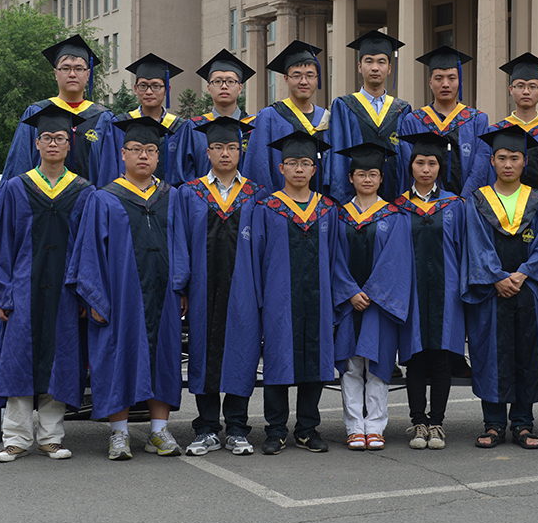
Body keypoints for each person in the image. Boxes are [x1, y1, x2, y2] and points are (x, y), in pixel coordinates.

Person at [53, 116, 187, 461]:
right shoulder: (105, 198)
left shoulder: (171, 197)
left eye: (151, 150)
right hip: (119, 297)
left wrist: (181, 285)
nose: (143, 155)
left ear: (158, 157)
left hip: (164, 295)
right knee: (116, 358)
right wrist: (95, 298)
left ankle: (158, 431)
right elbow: (89, 251)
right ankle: (119, 433)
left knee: (164, 357)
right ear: (122, 154)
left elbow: (183, 246)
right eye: (136, 149)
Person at [0, 104, 97, 462]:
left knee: (61, 360)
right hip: (22, 288)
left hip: (65, 291)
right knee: (18, 359)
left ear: (69, 145)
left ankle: (51, 437)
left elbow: (89, 248)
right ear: (36, 143)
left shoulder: (83, 191)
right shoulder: (16, 188)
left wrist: (85, 293)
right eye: (46, 137)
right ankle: (16, 438)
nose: (52, 143)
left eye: (59, 138)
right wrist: (2, 293)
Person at [232, 131, 344, 455]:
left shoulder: (327, 209)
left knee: (316, 362)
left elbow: (336, 258)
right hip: (279, 299)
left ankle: (307, 429)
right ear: (281, 168)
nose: (299, 169)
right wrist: (258, 299)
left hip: (318, 299)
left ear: (314, 169)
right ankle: (276, 430)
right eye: (292, 163)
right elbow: (254, 257)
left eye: (305, 163)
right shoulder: (267, 208)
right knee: (278, 362)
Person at [171, 117, 266, 457]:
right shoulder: (189, 193)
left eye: (232, 147)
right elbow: (180, 242)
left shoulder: (256, 194)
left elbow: (265, 248)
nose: (225, 153)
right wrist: (181, 286)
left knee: (243, 352)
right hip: (202, 289)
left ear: (241, 152)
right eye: (218, 147)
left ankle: (238, 428)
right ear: (207, 151)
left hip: (244, 288)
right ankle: (207, 428)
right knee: (202, 352)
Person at [463, 125, 538, 450]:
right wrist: (497, 276)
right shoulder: (478, 200)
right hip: (491, 290)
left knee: (527, 352)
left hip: (527, 289)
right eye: (502, 158)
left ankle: (523, 423)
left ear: (525, 161)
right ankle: (494, 423)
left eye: (515, 158)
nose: (508, 164)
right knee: (490, 353)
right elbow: (476, 243)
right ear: (492, 161)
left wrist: (524, 273)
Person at [333, 143, 414, 451]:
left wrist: (372, 293)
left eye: (373, 174)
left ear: (381, 178)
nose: (367, 179)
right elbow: (332, 260)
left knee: (378, 366)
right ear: (351, 177)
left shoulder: (395, 216)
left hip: (379, 304)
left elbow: (397, 260)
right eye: (361, 174)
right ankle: (355, 426)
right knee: (352, 367)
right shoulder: (339, 215)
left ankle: (376, 426)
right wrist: (350, 292)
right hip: (348, 303)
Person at [395, 132, 468, 449]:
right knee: (414, 358)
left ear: (441, 167)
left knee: (440, 358)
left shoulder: (454, 205)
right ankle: (417, 423)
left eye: (432, 163)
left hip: (445, 291)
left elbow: (464, 250)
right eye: (420, 163)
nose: (426, 169)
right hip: (410, 292)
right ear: (411, 166)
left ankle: (437, 423)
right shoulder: (398, 206)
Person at [3, 34, 111, 184]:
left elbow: (110, 170)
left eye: (79, 68)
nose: (72, 74)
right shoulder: (36, 112)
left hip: (89, 198)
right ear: (55, 73)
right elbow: (19, 163)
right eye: (65, 68)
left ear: (88, 74)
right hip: (41, 196)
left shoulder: (103, 119)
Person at [328, 31, 411, 201]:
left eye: (381, 62)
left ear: (389, 68)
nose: (375, 68)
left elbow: (406, 159)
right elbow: (338, 157)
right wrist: (343, 201)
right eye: (369, 61)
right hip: (354, 202)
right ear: (360, 67)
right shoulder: (344, 106)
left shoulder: (402, 109)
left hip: (394, 199)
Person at [397, 46, 490, 198]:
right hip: (425, 203)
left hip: (467, 203)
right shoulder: (413, 121)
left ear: (460, 81)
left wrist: (465, 199)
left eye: (451, 78)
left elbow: (481, 165)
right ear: (430, 82)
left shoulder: (477, 120)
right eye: (439, 78)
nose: (445, 84)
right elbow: (409, 163)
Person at [242, 40, 331, 194]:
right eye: (297, 76)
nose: (304, 81)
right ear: (286, 79)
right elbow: (259, 167)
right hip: (279, 203)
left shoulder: (327, 119)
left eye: (310, 75)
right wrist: (270, 204)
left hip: (321, 204)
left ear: (317, 79)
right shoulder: (268, 117)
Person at [468, 53, 538, 194]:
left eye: (532, 86)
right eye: (520, 86)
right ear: (511, 90)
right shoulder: (495, 131)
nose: (526, 91)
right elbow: (483, 171)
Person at [93, 53, 186, 187]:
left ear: (167, 90)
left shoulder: (181, 128)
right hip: (125, 196)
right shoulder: (119, 125)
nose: (149, 92)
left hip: (168, 197)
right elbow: (110, 167)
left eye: (156, 86)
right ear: (135, 89)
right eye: (143, 86)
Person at [174, 50, 256, 183]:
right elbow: (184, 174)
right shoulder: (193, 127)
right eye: (217, 81)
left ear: (240, 88)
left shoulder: (254, 127)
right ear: (208, 88)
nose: (224, 86)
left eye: (230, 81)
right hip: (202, 195)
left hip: (247, 195)